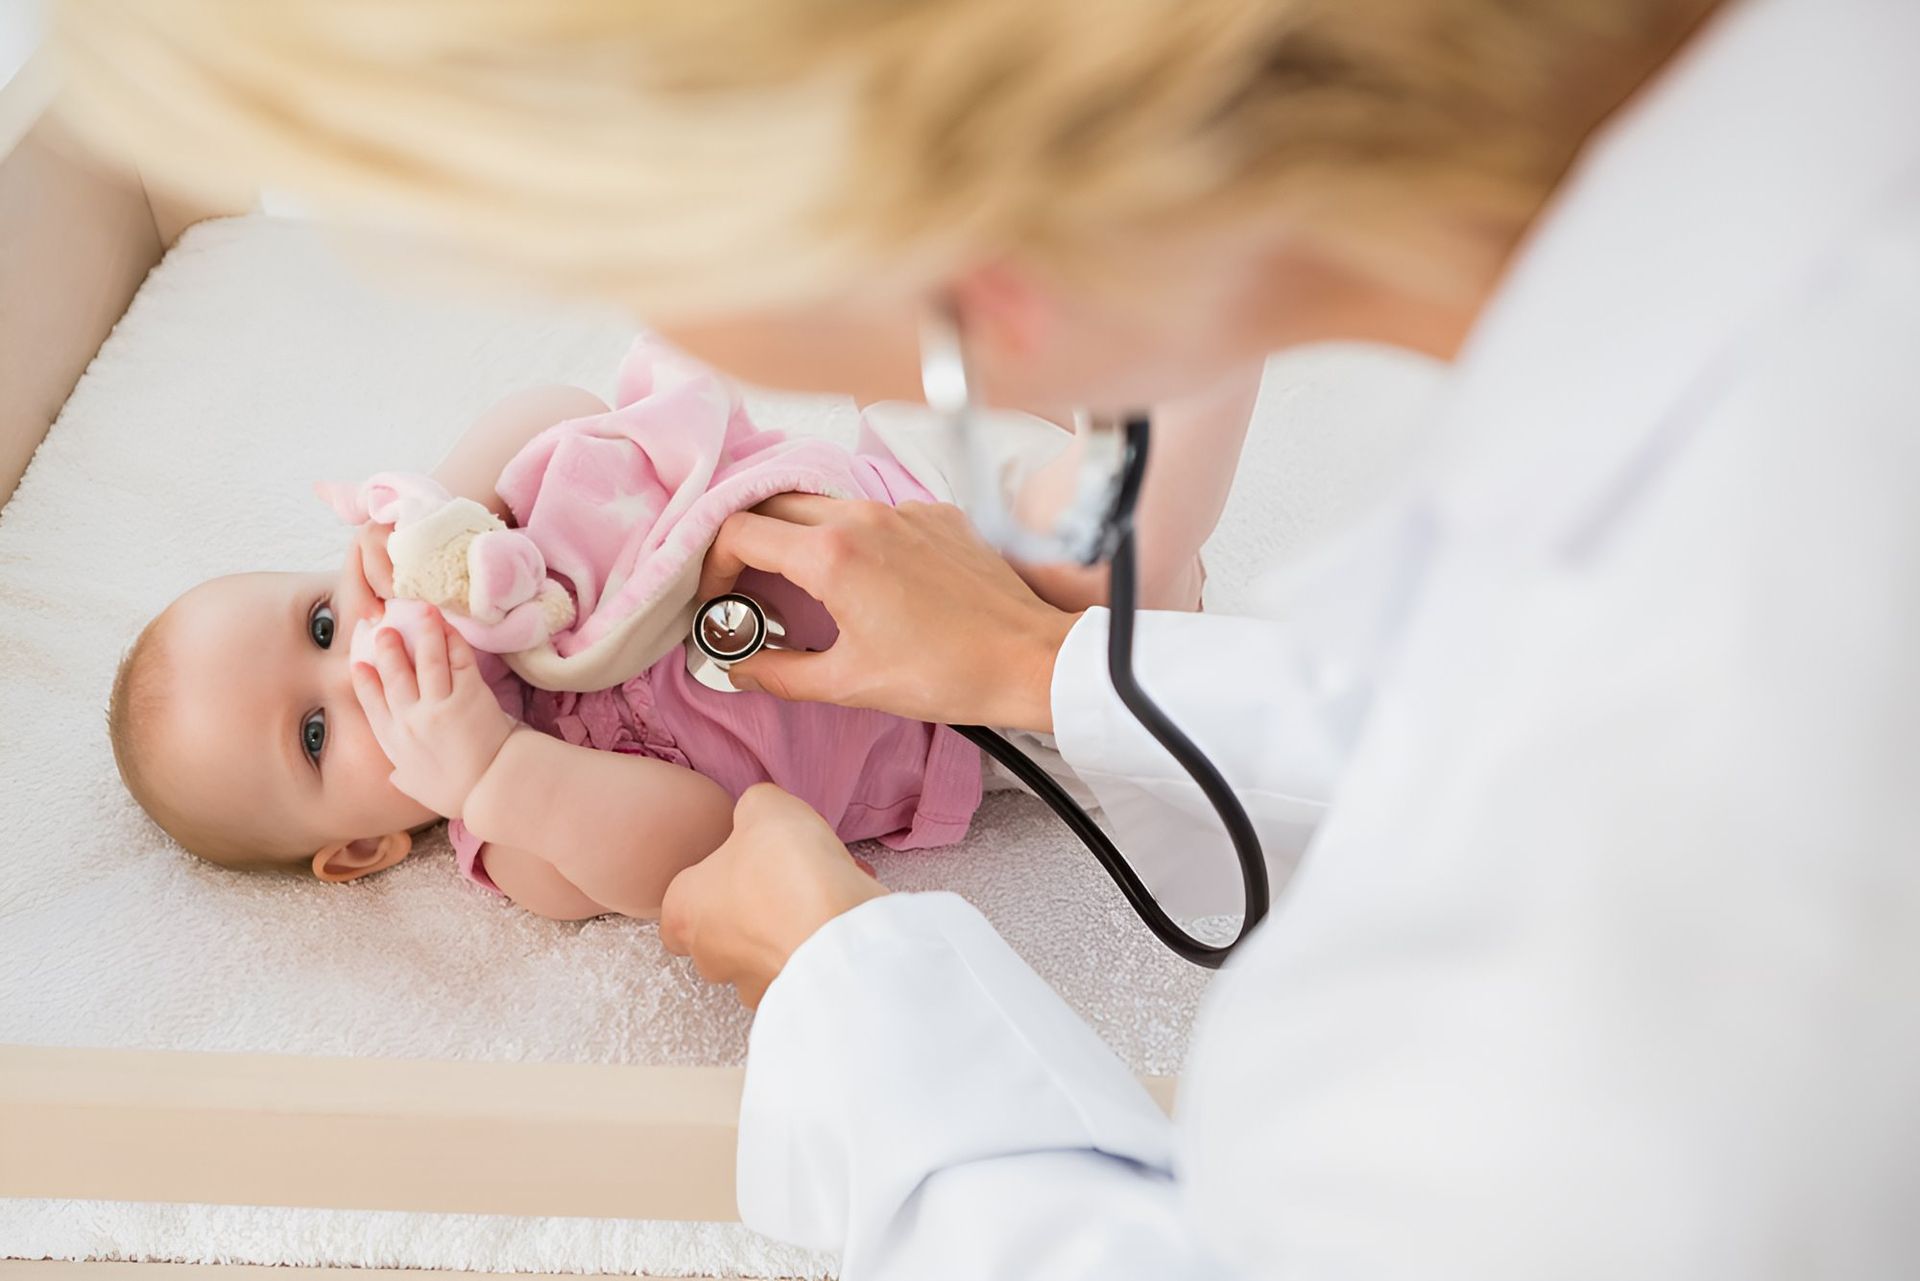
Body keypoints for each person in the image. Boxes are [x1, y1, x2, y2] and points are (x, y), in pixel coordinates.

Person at [52, 0, 1920, 1275]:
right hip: (941, 677)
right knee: (1111, 576)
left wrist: (846, 975)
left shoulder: (1699, 783)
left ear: (959, 253)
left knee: (1116, 548)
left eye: (317, 621)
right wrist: (1037, 680)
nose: (353, 652)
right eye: (317, 724)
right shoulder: (1796, 200)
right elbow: (654, 856)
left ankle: (1141, 537)